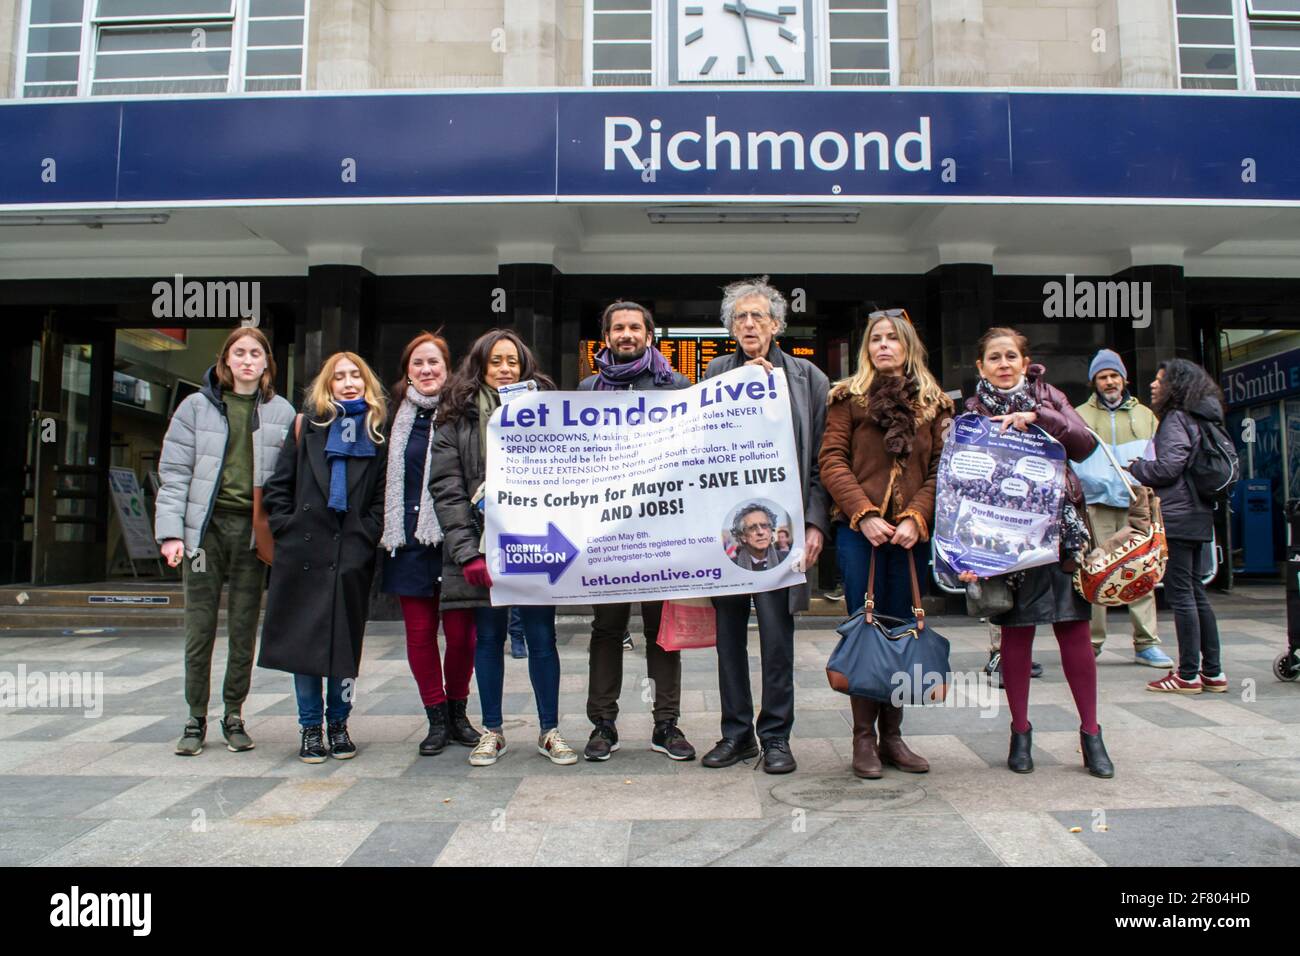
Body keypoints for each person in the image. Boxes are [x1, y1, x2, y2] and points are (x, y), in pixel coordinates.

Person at [957, 327, 1113, 778]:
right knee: (1017, 635)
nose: (1003, 364)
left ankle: (1091, 734)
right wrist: (965, 553)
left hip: (1061, 534)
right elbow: (962, 486)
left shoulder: (1050, 398)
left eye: (1011, 356)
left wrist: (1039, 417)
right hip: (1006, 541)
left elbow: (1083, 445)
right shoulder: (971, 413)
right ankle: (1020, 732)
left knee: (1074, 633)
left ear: (1025, 363)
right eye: (994, 358)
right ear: (980, 367)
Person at [430, 329, 578, 767]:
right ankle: (491, 730)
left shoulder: (547, 410)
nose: (505, 368)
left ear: (524, 366)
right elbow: (447, 490)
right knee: (489, 640)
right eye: (496, 361)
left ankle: (549, 730)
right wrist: (467, 554)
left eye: (512, 361)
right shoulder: (454, 417)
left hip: (536, 544)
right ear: (480, 365)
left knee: (541, 639)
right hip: (483, 546)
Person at [700, 277, 830, 775]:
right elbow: (697, 441)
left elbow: (822, 458)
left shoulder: (807, 378)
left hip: (782, 534)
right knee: (728, 639)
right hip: (729, 532)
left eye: (758, 316)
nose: (748, 324)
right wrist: (734, 388)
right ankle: (736, 734)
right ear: (730, 328)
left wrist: (815, 522)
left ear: (777, 325)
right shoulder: (716, 372)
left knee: (777, 638)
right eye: (740, 318)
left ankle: (776, 735)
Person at [818, 307, 952, 779]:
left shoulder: (935, 404)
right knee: (867, 629)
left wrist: (917, 516)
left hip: (910, 535)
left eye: (892, 338)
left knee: (901, 629)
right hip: (861, 534)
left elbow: (941, 469)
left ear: (908, 345)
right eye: (876, 339)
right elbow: (831, 461)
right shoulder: (847, 399)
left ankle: (893, 736)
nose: (883, 346)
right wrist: (865, 513)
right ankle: (862, 739)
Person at [156, 327, 296, 757]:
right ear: (226, 359)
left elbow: (290, 478)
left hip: (252, 534)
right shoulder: (195, 408)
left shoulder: (282, 412)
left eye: (256, 352)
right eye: (240, 352)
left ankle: (233, 713)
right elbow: (175, 473)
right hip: (205, 532)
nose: (248, 360)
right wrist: (171, 533)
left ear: (267, 361)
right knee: (199, 627)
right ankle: (194, 716)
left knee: (243, 626)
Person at [577, 300, 696, 762]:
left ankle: (666, 723)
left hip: (661, 526)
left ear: (650, 334)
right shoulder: (588, 389)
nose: (626, 334)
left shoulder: (677, 385)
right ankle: (602, 724)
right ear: (606, 336)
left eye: (634, 327)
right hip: (607, 530)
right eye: (618, 328)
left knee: (661, 630)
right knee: (606, 629)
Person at [257, 352, 388, 763]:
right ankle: (310, 728)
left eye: (356, 377)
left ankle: (340, 723)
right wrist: (287, 526)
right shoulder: (305, 428)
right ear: (326, 386)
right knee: (305, 647)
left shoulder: (377, 435)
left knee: (346, 648)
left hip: (350, 555)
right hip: (304, 553)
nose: (348, 383)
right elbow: (279, 487)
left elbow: (383, 500)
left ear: (367, 384)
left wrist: (365, 535)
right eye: (339, 377)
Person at [380, 331, 480, 756]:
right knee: (421, 635)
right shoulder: (389, 418)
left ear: (447, 367)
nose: (426, 370)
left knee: (461, 636)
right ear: (407, 370)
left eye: (434, 363)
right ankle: (436, 717)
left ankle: (459, 713)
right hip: (406, 539)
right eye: (418, 363)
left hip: (455, 538)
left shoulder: (462, 414)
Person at [1128, 359, 1228, 696]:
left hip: (1179, 515)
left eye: (1160, 380)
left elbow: (1169, 467)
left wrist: (1140, 468)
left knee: (1181, 595)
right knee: (1197, 593)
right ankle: (1212, 672)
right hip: (1199, 514)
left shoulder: (1176, 418)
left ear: (1177, 385)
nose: (1154, 385)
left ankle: (1187, 675)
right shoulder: (1204, 416)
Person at [1074, 349, 1172, 668]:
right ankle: (1092, 644)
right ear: (1094, 382)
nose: (1109, 381)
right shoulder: (1079, 416)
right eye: (1102, 377)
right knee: (1094, 570)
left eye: (1113, 375)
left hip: (1136, 502)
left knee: (1140, 568)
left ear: (1124, 378)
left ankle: (1146, 643)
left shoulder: (1145, 415)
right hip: (1096, 504)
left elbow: (1160, 454)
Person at [729, 504, 790, 570]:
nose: (760, 532)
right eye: (752, 528)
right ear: (743, 536)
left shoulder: (788, 558)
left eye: (764, 525)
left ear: (771, 531)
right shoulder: (731, 567)